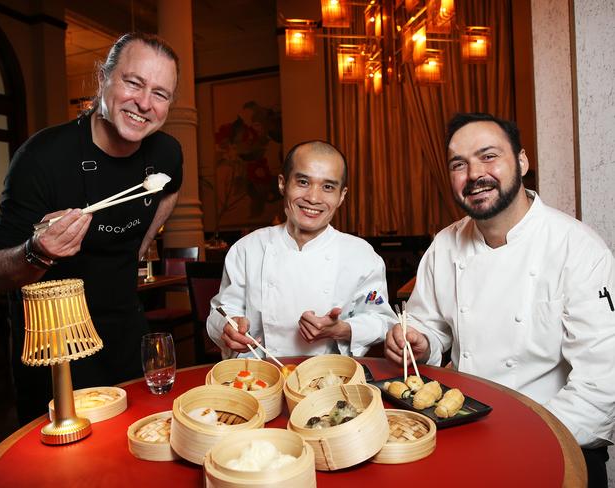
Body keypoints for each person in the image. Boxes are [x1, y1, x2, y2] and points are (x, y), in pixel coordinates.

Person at [385, 112, 615, 487]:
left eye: (488, 156)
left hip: (555, 436)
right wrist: (420, 341)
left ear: (522, 161)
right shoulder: (445, 244)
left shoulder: (578, 249)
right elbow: (428, 325)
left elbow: (601, 384)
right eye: (459, 164)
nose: (475, 173)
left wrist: (524, 435)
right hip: (462, 427)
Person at [0, 32, 183, 424]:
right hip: (54, 346)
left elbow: (171, 188)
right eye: (133, 82)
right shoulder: (43, 157)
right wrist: (36, 251)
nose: (144, 103)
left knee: (138, 446)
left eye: (160, 93)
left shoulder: (166, 152)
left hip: (125, 330)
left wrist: (140, 246)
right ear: (103, 78)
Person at [206, 140, 397, 359]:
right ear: (282, 184)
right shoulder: (247, 249)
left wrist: (342, 329)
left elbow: (382, 320)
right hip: (259, 379)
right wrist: (228, 327)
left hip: (331, 381)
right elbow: (220, 312)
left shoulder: (362, 256)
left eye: (328, 187)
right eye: (303, 182)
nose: (313, 198)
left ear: (341, 196)